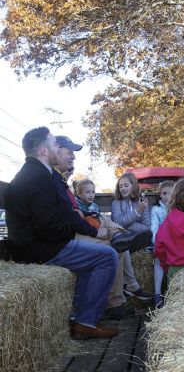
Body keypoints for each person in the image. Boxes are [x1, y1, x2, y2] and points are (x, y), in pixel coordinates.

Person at [5, 127, 119, 339]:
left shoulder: (34, 173)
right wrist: (72, 232)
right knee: (107, 256)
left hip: (33, 244)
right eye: (55, 144)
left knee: (96, 256)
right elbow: (48, 225)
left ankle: (79, 317)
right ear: (43, 150)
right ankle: (85, 321)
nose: (58, 146)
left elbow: (52, 218)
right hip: (40, 249)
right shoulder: (39, 178)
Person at [54, 136, 141, 320]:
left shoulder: (61, 185)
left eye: (72, 170)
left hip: (82, 226)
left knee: (111, 233)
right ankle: (113, 303)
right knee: (113, 244)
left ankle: (119, 236)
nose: (71, 167)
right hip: (73, 234)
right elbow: (70, 215)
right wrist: (92, 228)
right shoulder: (53, 183)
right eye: (69, 160)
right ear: (55, 151)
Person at [112, 172, 153, 301]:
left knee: (136, 238)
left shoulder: (142, 202)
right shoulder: (116, 203)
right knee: (123, 245)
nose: (123, 189)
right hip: (123, 239)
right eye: (120, 186)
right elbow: (118, 223)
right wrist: (137, 213)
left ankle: (130, 286)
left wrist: (128, 224)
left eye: (126, 185)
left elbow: (146, 227)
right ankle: (133, 286)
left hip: (137, 239)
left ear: (133, 185)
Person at [150, 180, 175, 308]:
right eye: (164, 193)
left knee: (175, 261)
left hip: (175, 244)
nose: (166, 197)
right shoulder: (156, 210)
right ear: (160, 195)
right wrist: (158, 243)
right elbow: (153, 229)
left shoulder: (178, 210)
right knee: (159, 260)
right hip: (161, 243)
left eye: (170, 194)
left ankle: (172, 293)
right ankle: (157, 294)